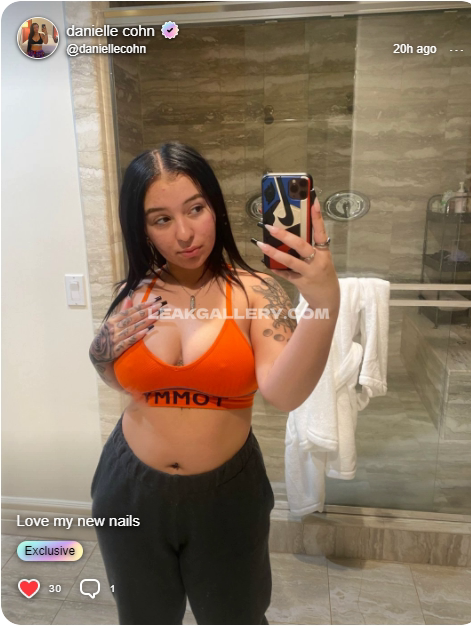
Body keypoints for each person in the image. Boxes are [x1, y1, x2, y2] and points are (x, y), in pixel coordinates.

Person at [88, 142, 340, 624]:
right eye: (161, 219)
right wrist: (99, 351)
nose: (184, 234)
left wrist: (324, 300)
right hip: (128, 487)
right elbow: (120, 380)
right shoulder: (133, 293)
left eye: (195, 209)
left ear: (216, 209)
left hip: (226, 495)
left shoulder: (255, 292)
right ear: (141, 228)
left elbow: (285, 393)